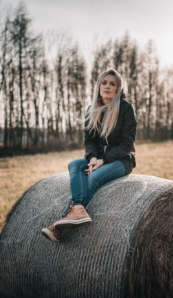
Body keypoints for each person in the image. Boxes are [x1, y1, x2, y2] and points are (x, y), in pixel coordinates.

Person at [41, 68, 137, 243]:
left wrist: (102, 161)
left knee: (93, 179)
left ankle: (59, 227)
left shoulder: (125, 109)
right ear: (99, 86)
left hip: (122, 160)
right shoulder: (91, 110)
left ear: (118, 89)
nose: (107, 86)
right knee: (74, 165)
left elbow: (127, 144)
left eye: (112, 84)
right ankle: (77, 209)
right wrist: (92, 158)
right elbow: (90, 141)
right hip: (98, 158)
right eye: (104, 82)